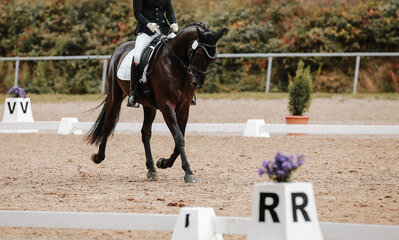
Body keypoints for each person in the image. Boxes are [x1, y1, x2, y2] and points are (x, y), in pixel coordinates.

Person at [127, 0, 179, 107]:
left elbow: (169, 12)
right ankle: (134, 92)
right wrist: (148, 24)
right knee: (137, 56)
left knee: (180, 50)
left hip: (164, 29)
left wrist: (173, 22)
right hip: (146, 30)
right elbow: (137, 13)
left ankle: (185, 88)